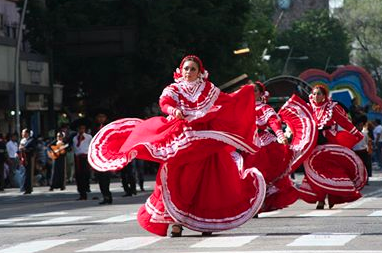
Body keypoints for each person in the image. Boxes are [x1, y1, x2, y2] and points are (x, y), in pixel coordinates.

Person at [88, 55, 265, 237]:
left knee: (208, 181)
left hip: (205, 140)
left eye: (193, 69)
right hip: (181, 138)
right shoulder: (174, 88)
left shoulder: (208, 89)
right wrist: (174, 110)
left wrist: (244, 93)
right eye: (186, 68)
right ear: (181, 70)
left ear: (200, 72)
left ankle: (204, 221)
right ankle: (176, 222)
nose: (188, 72)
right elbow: (165, 103)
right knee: (178, 180)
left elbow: (227, 102)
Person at [244, 81, 317, 213]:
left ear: (260, 94)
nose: (251, 93)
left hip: (262, 144)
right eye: (249, 90)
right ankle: (252, 202)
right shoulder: (241, 108)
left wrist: (280, 135)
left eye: (254, 90)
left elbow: (273, 122)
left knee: (260, 174)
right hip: (245, 143)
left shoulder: (264, 108)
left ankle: (259, 202)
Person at [299, 85, 367, 210]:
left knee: (328, 172)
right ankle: (320, 199)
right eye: (314, 94)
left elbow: (344, 122)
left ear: (324, 96)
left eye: (319, 94)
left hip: (328, 143)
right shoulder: (309, 109)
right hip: (313, 144)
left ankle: (331, 197)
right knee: (314, 171)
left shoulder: (331, 108)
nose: (316, 96)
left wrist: (356, 133)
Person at [91, 109, 113, 205]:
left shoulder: (109, 128)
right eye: (99, 117)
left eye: (102, 117)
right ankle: (105, 196)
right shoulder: (93, 129)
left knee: (106, 177)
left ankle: (108, 196)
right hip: (97, 155)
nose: (101, 119)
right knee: (100, 178)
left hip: (106, 155)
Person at [73, 123, 92, 200]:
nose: (81, 130)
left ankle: (86, 187)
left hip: (85, 157)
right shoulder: (74, 138)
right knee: (78, 175)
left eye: (83, 128)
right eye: (80, 128)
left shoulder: (88, 137)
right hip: (77, 158)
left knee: (85, 174)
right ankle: (81, 192)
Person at [353, 116, 372, 185]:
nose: (360, 127)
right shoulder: (353, 133)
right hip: (355, 152)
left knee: (365, 166)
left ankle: (366, 180)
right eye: (359, 125)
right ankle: (357, 180)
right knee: (356, 166)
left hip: (363, 151)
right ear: (356, 126)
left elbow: (367, 142)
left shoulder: (365, 133)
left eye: (361, 125)